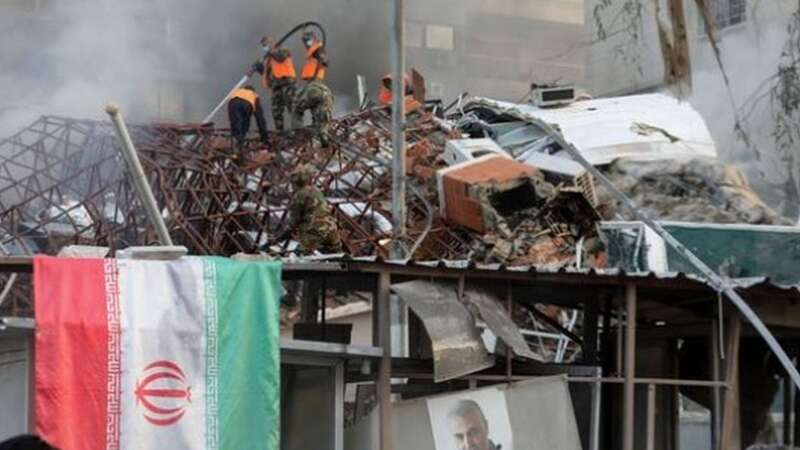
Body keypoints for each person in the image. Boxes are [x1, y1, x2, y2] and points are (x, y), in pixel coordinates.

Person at [273, 164, 342, 254]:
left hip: (314, 230)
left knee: (299, 256)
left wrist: (278, 238)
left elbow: (293, 222)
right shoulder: (316, 191)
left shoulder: (299, 195)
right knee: (338, 257)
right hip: (330, 228)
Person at [293, 30, 334, 144]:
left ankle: (298, 135)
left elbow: (324, 58)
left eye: (309, 40)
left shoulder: (317, 49)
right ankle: (322, 138)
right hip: (316, 85)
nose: (307, 43)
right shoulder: (313, 52)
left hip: (314, 85)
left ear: (314, 38)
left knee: (297, 108)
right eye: (305, 41)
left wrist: (323, 59)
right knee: (317, 113)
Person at [256, 36, 297, 132]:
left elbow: (280, 58)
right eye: (263, 45)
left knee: (293, 107)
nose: (265, 47)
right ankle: (280, 132)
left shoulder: (283, 50)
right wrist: (261, 69)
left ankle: (298, 129)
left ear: (272, 42)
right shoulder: (270, 59)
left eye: (266, 44)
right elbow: (269, 74)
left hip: (287, 83)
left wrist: (270, 51)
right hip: (276, 86)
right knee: (276, 110)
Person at [227, 85, 268, 151]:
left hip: (232, 103)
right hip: (246, 104)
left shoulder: (238, 91)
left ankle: (236, 145)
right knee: (244, 124)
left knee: (235, 125)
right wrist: (264, 136)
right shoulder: (254, 95)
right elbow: (260, 118)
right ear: (253, 91)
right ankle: (240, 147)